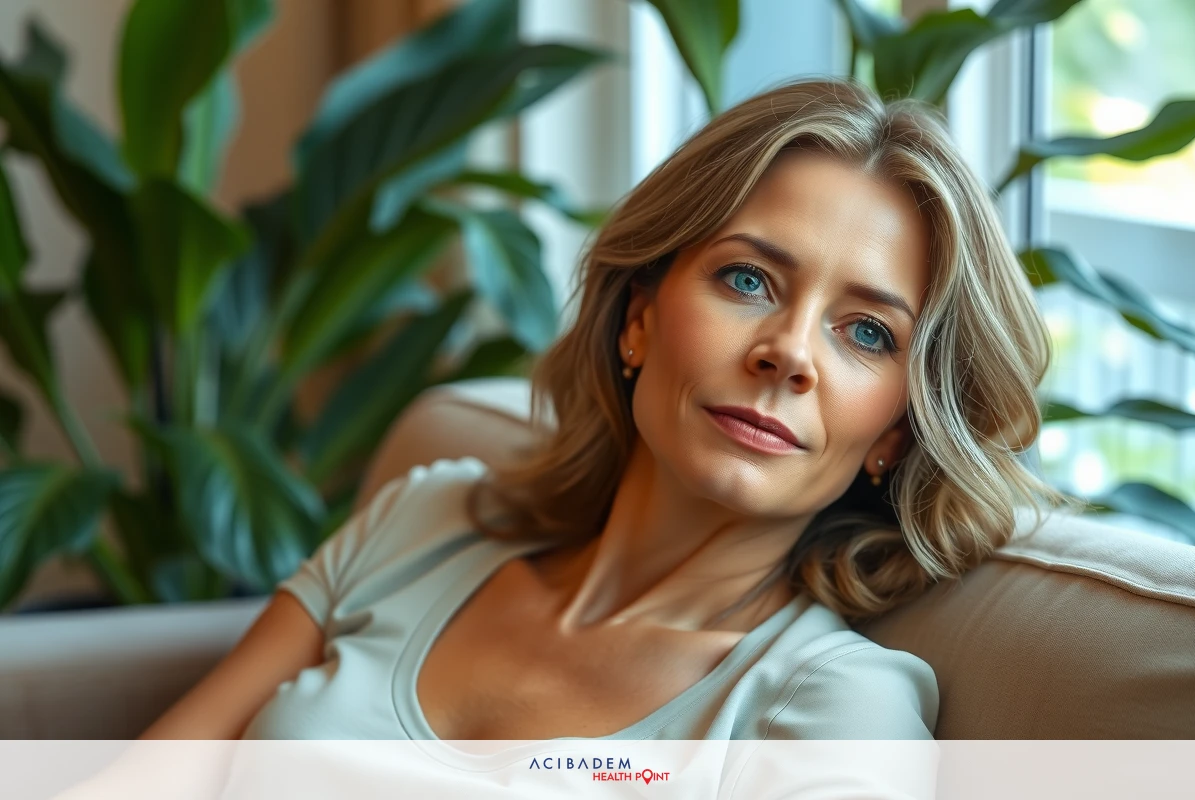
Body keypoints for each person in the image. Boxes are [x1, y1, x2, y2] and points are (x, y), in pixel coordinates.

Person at [139, 77, 1072, 744]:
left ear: (899, 430)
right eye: (748, 279)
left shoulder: (828, 710)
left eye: (867, 333)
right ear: (638, 318)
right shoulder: (428, 517)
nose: (788, 351)